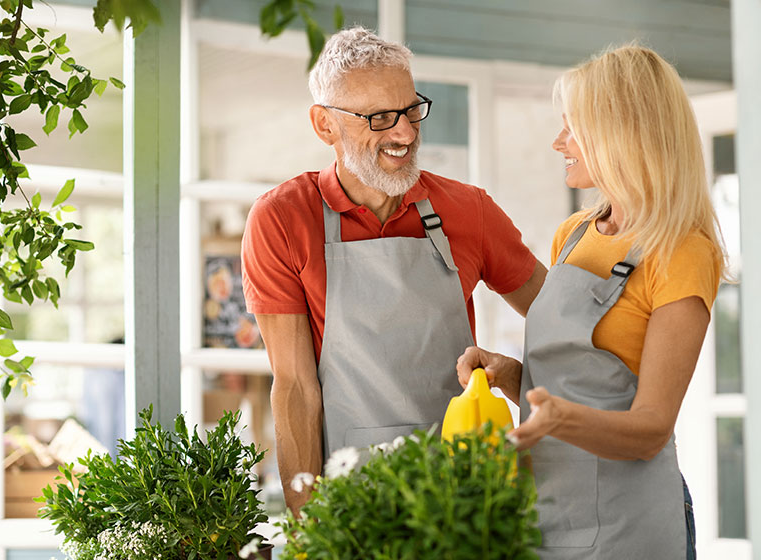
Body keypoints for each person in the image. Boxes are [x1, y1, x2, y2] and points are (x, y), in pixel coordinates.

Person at [241, 27, 546, 513]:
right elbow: (296, 387)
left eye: (410, 110)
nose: (404, 133)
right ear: (324, 125)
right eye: (379, 118)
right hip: (350, 499)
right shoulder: (282, 218)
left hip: (461, 496)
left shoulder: (470, 210)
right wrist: (308, 526)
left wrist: (519, 378)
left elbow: (561, 324)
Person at [457, 44, 727, 559]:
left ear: (622, 134)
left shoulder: (683, 252)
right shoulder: (573, 235)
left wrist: (560, 420)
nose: (559, 142)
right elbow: (566, 388)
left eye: (572, 128)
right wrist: (507, 374)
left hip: (632, 522)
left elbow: (650, 430)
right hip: (548, 511)